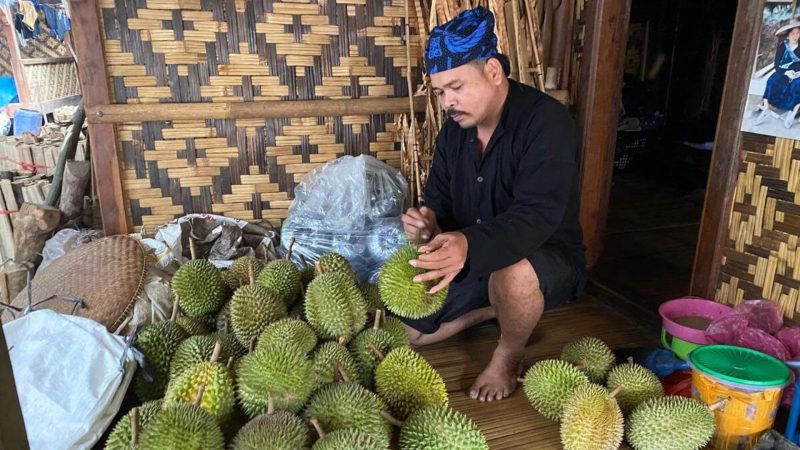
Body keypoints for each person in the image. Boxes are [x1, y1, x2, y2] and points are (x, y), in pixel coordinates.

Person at [399, 7, 588, 402]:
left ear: (493, 72)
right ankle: (495, 310)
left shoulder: (546, 123)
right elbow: (439, 200)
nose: (448, 102)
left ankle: (508, 352)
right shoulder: (454, 132)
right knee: (409, 334)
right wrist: (428, 222)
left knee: (513, 275)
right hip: (472, 255)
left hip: (543, 256)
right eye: (439, 93)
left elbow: (537, 217)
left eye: (457, 87)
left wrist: (468, 245)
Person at [753, 21, 800, 129]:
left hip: (797, 75)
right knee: (771, 81)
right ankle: (765, 110)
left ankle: (792, 114)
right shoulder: (782, 47)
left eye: (798, 33)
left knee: (798, 86)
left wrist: (797, 73)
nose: (795, 36)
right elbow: (777, 64)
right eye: (793, 33)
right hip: (783, 72)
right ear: (788, 35)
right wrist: (786, 72)